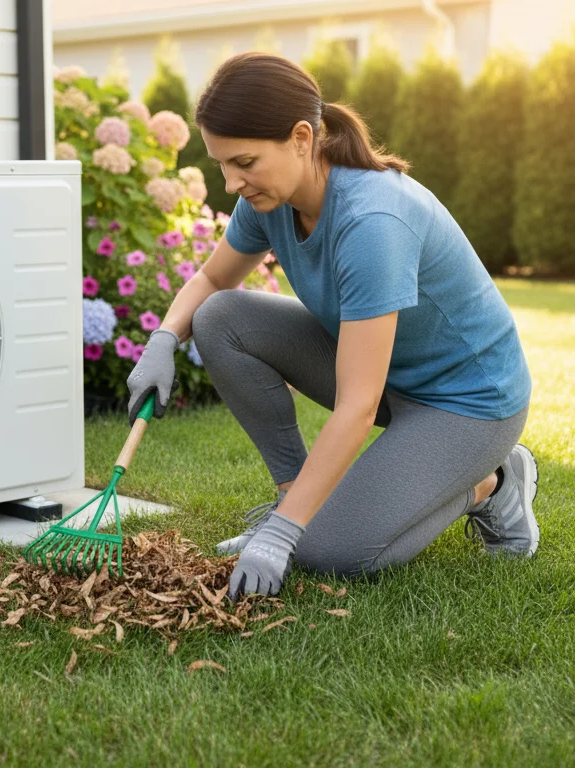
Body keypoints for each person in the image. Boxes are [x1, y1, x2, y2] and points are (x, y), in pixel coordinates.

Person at [124, 53, 537, 602]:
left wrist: (284, 538)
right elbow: (212, 278)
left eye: (244, 161)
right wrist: (163, 340)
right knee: (220, 319)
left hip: (468, 403)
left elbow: (357, 406)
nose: (230, 183)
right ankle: (294, 498)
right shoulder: (270, 196)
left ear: (301, 137)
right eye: (223, 164)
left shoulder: (372, 222)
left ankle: (492, 483)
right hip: (391, 373)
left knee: (329, 552)